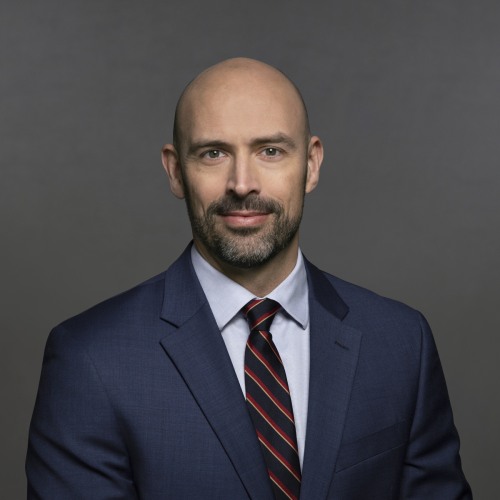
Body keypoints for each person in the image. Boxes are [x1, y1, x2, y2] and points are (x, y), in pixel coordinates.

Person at [26, 57, 472, 499]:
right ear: (176, 170)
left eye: (270, 151)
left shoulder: (399, 342)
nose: (242, 183)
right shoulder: (91, 360)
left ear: (312, 165)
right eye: (213, 153)